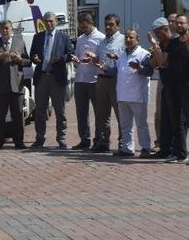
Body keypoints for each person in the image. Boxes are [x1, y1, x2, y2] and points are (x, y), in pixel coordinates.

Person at [0, 20, 31, 149]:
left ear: (12, 29)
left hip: (16, 85)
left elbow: (28, 61)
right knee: (0, 116)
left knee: (18, 115)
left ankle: (19, 142)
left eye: (7, 29)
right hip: (0, 86)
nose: (5, 31)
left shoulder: (20, 43)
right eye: (3, 29)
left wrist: (20, 60)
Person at [29, 12, 74, 149]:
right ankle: (39, 138)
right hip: (42, 77)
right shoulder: (38, 37)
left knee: (60, 111)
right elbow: (32, 54)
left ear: (56, 22)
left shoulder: (63, 37)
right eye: (46, 21)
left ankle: (61, 139)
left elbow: (70, 54)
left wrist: (62, 59)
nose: (49, 24)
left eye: (51, 21)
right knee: (40, 111)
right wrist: (34, 58)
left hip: (57, 78)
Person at [164, 15, 189, 165]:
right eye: (177, 23)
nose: (179, 25)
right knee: (176, 121)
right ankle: (180, 154)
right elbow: (163, 62)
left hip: (187, 86)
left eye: (182, 23)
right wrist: (155, 47)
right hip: (172, 86)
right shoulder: (172, 43)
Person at [112, 29, 154, 158]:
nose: (128, 40)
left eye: (131, 38)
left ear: (138, 40)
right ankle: (127, 148)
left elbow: (149, 72)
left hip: (138, 96)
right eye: (126, 38)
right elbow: (117, 71)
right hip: (123, 95)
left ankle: (146, 148)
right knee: (125, 125)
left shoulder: (144, 54)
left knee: (141, 124)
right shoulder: (122, 55)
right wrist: (102, 67)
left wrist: (140, 68)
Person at [89, 14, 125, 153]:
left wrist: (117, 57)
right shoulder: (103, 41)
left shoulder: (123, 40)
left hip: (116, 81)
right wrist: (93, 59)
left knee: (120, 114)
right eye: (106, 25)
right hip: (102, 80)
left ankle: (123, 143)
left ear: (117, 25)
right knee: (102, 114)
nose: (108, 27)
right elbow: (98, 60)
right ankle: (103, 142)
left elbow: (127, 59)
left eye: (111, 24)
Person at [70, 13, 105, 150]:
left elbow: (103, 59)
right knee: (81, 112)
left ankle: (99, 140)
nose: (83, 29)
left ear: (91, 23)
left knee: (99, 112)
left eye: (85, 26)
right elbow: (79, 57)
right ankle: (84, 139)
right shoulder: (80, 39)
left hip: (95, 80)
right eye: (81, 27)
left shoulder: (101, 38)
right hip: (80, 79)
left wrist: (93, 59)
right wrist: (77, 60)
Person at [152, 12, 177, 151]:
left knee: (175, 114)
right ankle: (161, 142)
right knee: (160, 113)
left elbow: (163, 62)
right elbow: (156, 64)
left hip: (176, 83)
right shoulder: (162, 43)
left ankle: (174, 144)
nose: (172, 24)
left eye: (174, 21)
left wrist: (155, 48)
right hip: (162, 81)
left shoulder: (177, 42)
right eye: (170, 21)